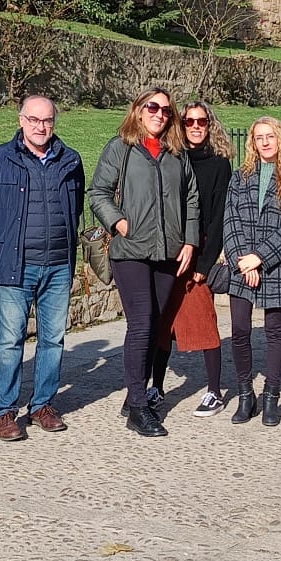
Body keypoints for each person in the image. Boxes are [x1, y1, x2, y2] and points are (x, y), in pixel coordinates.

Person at [0, 95, 84, 438]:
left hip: (58, 265)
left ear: (54, 122)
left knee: (53, 339)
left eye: (47, 120)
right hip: (16, 267)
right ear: (21, 120)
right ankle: (4, 411)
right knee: (9, 341)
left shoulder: (70, 160)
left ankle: (42, 405)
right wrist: (8, 237)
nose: (41, 127)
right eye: (34, 120)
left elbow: (75, 206)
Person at [90, 88, 199, 438]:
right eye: (153, 107)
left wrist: (190, 240)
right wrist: (118, 223)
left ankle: (134, 394)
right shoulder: (120, 148)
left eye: (167, 110)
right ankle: (138, 407)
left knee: (156, 326)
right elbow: (98, 192)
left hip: (169, 252)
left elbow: (191, 198)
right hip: (131, 250)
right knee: (142, 323)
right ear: (138, 110)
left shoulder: (176, 153)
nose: (160, 114)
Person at [222, 115, 281, 427]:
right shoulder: (241, 176)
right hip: (242, 265)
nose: (265, 142)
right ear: (252, 143)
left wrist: (260, 257)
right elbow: (230, 220)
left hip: (276, 265)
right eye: (259, 137)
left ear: (280, 138)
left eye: (270, 136)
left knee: (274, 330)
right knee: (240, 330)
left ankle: (272, 396)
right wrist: (243, 260)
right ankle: (246, 394)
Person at [174, 101, 234, 417]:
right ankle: (155, 387)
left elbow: (219, 217)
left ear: (210, 125)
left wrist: (204, 264)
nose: (196, 126)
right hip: (168, 248)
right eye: (189, 121)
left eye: (202, 121)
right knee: (161, 324)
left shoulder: (219, 164)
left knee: (203, 320)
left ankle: (214, 390)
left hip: (200, 249)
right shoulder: (172, 159)